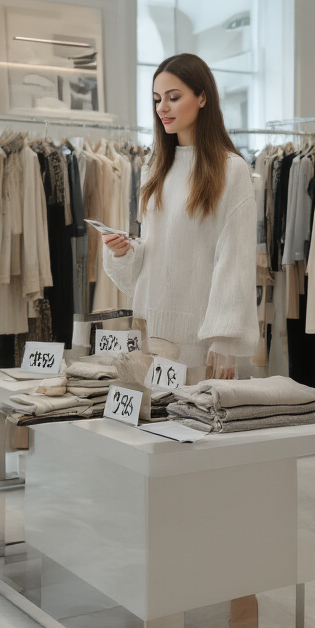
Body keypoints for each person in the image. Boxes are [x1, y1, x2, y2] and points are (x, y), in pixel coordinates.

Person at [102, 53, 257, 382]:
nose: (163, 108)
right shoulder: (154, 167)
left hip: (200, 333)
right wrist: (123, 251)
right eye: (158, 99)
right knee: (150, 426)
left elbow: (235, 260)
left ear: (203, 97)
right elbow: (158, 249)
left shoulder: (232, 170)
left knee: (192, 427)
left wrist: (225, 342)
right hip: (152, 326)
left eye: (174, 97)